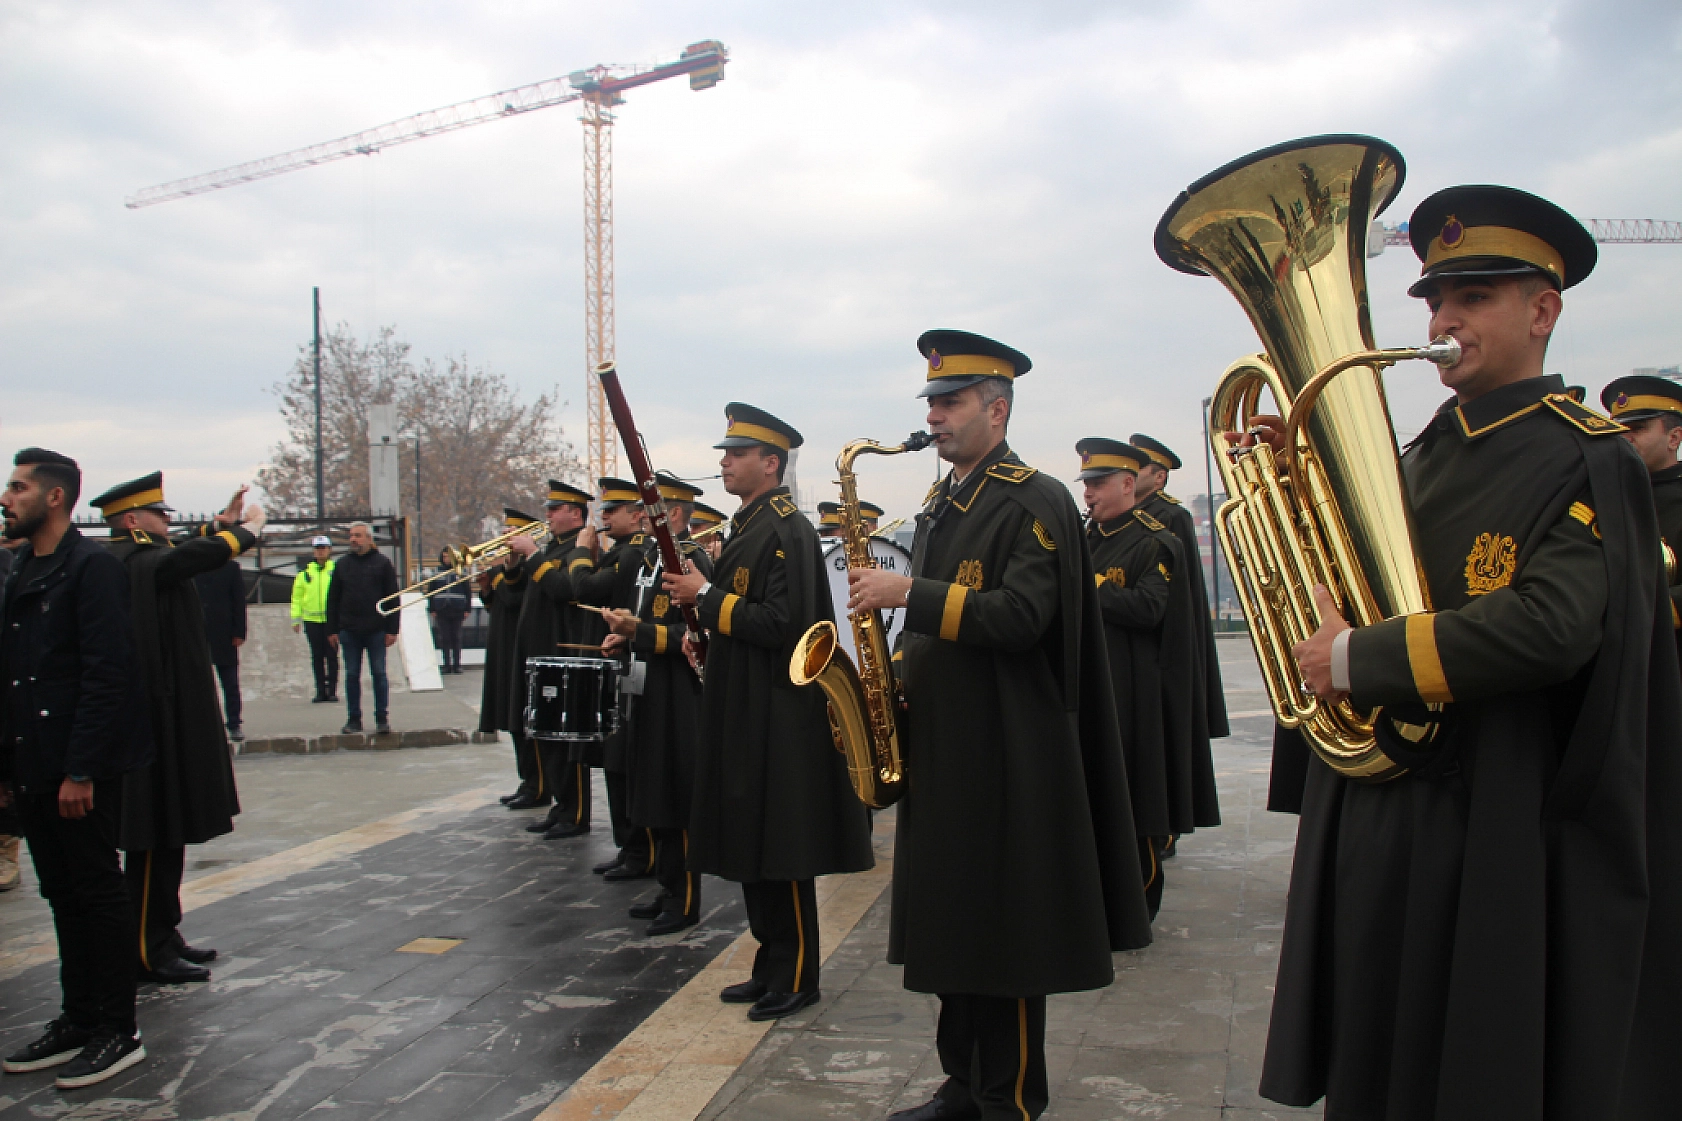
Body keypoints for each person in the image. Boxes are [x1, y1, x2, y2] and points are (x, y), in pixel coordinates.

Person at [1260, 186, 1682, 1118]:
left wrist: (1362, 658)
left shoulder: (1587, 455)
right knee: (1379, 1052)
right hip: (1389, 813)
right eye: (1435, 299)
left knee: (1465, 1064)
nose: (1445, 319)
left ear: (1542, 312)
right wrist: (1297, 484)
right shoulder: (1422, 449)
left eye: (1475, 297)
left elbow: (1553, 625)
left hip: (1494, 816)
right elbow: (1365, 582)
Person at [847, 332, 1152, 1120]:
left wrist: (907, 592)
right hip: (950, 745)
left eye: (950, 403)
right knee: (955, 923)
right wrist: (898, 680)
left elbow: (1020, 617)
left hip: (1012, 750)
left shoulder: (1035, 498)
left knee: (1007, 931)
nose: (935, 417)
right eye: (932, 403)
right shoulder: (944, 499)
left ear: (998, 408)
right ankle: (961, 1083)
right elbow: (939, 628)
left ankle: (1008, 1096)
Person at [663, 403, 873, 1022]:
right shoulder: (750, 523)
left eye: (735, 454)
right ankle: (769, 964)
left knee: (782, 851)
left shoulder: (786, 530)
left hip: (778, 715)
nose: (723, 463)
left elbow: (787, 626)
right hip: (744, 707)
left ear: (771, 463)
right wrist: (704, 610)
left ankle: (798, 973)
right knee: (754, 845)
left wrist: (708, 597)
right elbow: (738, 611)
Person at [0, 449, 150, 1089]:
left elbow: (107, 674)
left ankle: (118, 1031)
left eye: (18, 487)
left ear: (54, 498)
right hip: (31, 759)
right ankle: (78, 1018)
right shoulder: (19, 567)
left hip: (77, 765)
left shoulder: (91, 568)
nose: (7, 497)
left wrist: (82, 769)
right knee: (60, 893)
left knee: (97, 893)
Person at [92, 473, 260, 987]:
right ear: (130, 521)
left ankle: (164, 932)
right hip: (148, 720)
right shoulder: (132, 561)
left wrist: (220, 523)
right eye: (158, 514)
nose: (167, 521)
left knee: (167, 835)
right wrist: (244, 534)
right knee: (151, 838)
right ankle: (147, 948)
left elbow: (177, 551)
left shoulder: (140, 559)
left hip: (161, 715)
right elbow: (185, 558)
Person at [1077, 437, 1218, 918]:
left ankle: (1135, 906)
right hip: (1092, 692)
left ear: (1127, 484)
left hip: (1136, 698)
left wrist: (1089, 586)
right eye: (1086, 484)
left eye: (1098, 484)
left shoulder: (1155, 541)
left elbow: (1149, 607)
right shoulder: (1085, 539)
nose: (1089, 495)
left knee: (1136, 808)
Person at [602, 473, 712, 933]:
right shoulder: (649, 557)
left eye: (654, 509)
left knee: (676, 794)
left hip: (679, 694)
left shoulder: (689, 561)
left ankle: (683, 899)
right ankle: (668, 885)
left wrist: (637, 632)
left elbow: (696, 633)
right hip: (648, 688)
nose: (645, 516)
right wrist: (624, 630)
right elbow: (647, 620)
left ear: (676, 514)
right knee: (653, 790)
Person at [505, 481, 595, 839]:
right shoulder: (552, 549)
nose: (548, 514)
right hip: (539, 653)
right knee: (546, 735)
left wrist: (533, 556)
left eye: (555, 509)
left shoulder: (580, 549)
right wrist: (514, 564)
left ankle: (575, 813)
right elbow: (515, 596)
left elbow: (566, 591)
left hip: (564, 654)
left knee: (565, 738)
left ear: (575, 513)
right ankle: (560, 806)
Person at [574, 478, 653, 877]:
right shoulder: (622, 552)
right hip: (616, 657)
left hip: (631, 664)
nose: (603, 518)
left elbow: (582, 588)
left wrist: (581, 552)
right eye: (602, 511)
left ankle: (638, 849)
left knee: (624, 757)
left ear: (638, 516)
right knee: (615, 756)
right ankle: (629, 846)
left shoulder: (631, 554)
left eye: (611, 511)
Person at [1601, 374, 1682, 659]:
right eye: (1618, 429)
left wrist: (1642, 611)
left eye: (1637, 428)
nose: (1625, 437)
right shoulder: (1602, 497)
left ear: (1673, 437)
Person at [480, 510, 545, 809]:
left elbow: (517, 599)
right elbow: (497, 604)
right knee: (511, 718)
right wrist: (486, 587)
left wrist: (501, 575)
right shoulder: (510, 568)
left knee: (524, 719)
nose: (505, 538)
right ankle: (526, 780)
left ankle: (537, 785)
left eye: (511, 533)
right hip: (503, 646)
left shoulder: (534, 565)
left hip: (520, 648)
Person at [325, 522, 399, 735]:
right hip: (350, 631)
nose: (353, 540)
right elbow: (333, 599)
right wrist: (332, 629)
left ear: (368, 539)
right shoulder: (342, 565)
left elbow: (393, 598)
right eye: (351, 536)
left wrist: (392, 629)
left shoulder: (383, 563)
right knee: (351, 674)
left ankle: (382, 718)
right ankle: (354, 718)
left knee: (379, 674)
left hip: (376, 630)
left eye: (358, 536)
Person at [195, 558, 247, 743]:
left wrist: (239, 632)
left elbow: (239, 600)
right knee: (200, 685)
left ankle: (234, 723)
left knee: (230, 683)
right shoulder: (194, 566)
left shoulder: (230, 567)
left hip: (225, 634)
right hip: (198, 633)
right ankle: (203, 725)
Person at [290, 536, 338, 703]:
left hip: (332, 621)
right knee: (317, 656)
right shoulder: (305, 574)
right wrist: (296, 620)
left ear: (329, 550)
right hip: (312, 621)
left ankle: (332, 690)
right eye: (318, 548)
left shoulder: (335, 571)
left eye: (324, 547)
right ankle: (320, 691)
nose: (321, 551)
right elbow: (297, 598)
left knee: (332, 655)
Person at [427, 546, 470, 675]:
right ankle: (447, 665)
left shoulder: (461, 571)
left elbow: (467, 591)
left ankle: (457, 665)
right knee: (444, 638)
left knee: (456, 637)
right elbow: (431, 591)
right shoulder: (437, 572)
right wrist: (432, 608)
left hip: (457, 608)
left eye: (449, 556)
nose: (446, 559)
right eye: (444, 556)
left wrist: (467, 609)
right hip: (442, 608)